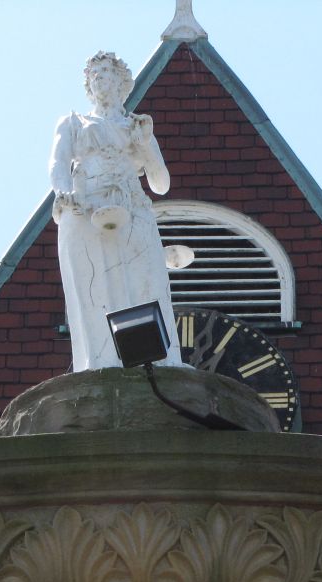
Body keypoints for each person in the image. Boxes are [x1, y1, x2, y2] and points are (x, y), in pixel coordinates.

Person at [49, 51, 186, 371]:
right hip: (86, 207)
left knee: (146, 280)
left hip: (131, 205)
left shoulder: (136, 126)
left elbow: (161, 183)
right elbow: (57, 163)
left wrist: (145, 144)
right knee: (92, 287)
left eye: (106, 72)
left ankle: (161, 363)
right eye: (94, 74)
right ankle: (99, 363)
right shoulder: (73, 122)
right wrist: (64, 192)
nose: (99, 78)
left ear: (121, 82)